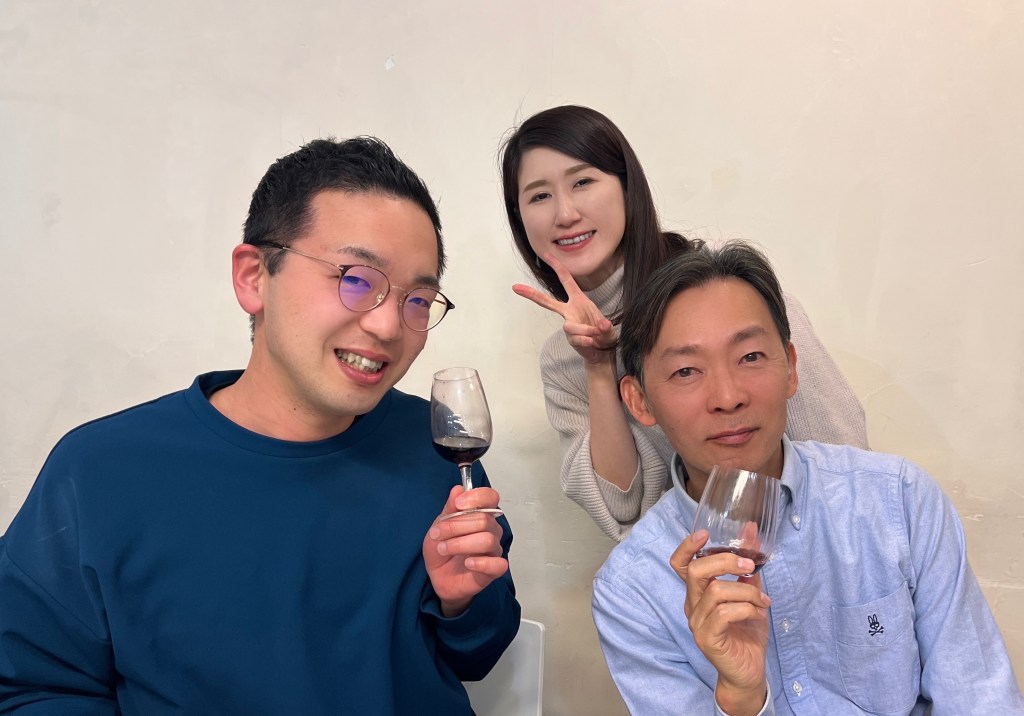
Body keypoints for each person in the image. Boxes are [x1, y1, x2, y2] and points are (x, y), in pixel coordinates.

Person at [0, 137, 521, 714]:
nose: (389, 327)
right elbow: (28, 686)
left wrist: (461, 603)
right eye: (356, 279)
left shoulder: (436, 447)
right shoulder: (101, 470)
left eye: (418, 299)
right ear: (254, 277)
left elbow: (478, 653)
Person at [591, 241, 1023, 714]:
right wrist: (740, 697)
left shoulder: (899, 502)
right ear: (639, 401)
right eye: (686, 370)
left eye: (750, 356)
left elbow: (979, 697)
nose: (728, 397)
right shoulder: (633, 590)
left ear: (791, 369)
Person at [500, 105, 868, 541]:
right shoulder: (563, 360)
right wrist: (598, 367)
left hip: (810, 544)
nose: (565, 214)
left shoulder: (723, 290)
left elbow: (840, 453)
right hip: (682, 566)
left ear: (627, 188)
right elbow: (622, 508)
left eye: (583, 182)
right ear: (520, 219)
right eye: (539, 196)